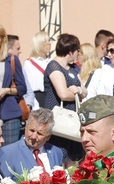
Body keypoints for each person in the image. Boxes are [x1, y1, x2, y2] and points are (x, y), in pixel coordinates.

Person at [43, 33, 87, 163]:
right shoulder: (54, 67)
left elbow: (85, 91)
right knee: (59, 159)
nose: (78, 54)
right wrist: (77, 94)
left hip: (73, 121)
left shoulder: (73, 68)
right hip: (59, 122)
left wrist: (79, 90)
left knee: (75, 159)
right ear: (70, 51)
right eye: (77, 51)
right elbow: (63, 94)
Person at [22, 31, 51, 111]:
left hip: (51, 98)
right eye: (46, 41)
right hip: (38, 99)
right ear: (39, 44)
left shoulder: (52, 62)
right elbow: (29, 87)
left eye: (49, 40)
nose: (50, 43)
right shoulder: (29, 63)